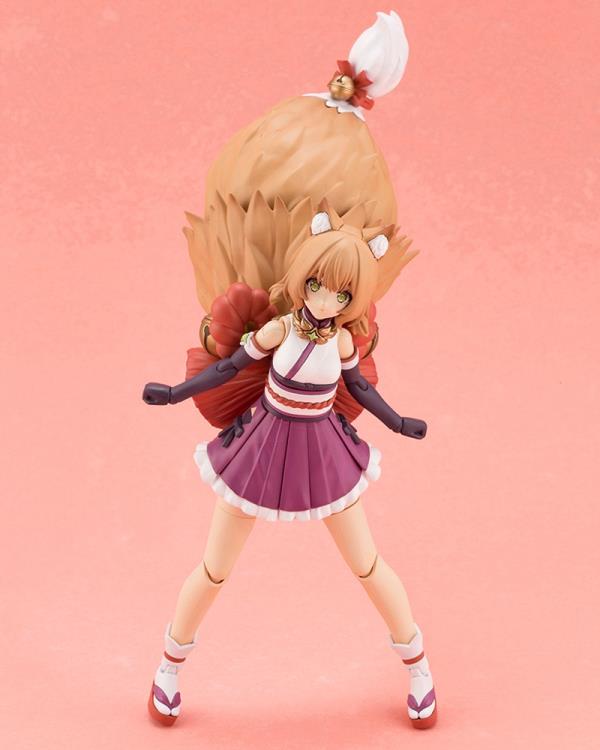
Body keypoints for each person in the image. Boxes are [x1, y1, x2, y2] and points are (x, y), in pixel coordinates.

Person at [143, 10, 437, 730]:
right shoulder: (278, 329)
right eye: (318, 285)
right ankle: (169, 667)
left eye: (342, 292)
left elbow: (359, 386)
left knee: (367, 564)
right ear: (300, 272)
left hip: (323, 452)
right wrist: (176, 391)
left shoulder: (341, 343)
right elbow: (228, 369)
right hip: (261, 445)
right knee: (215, 567)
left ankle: (419, 665)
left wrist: (398, 421)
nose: (328, 299)